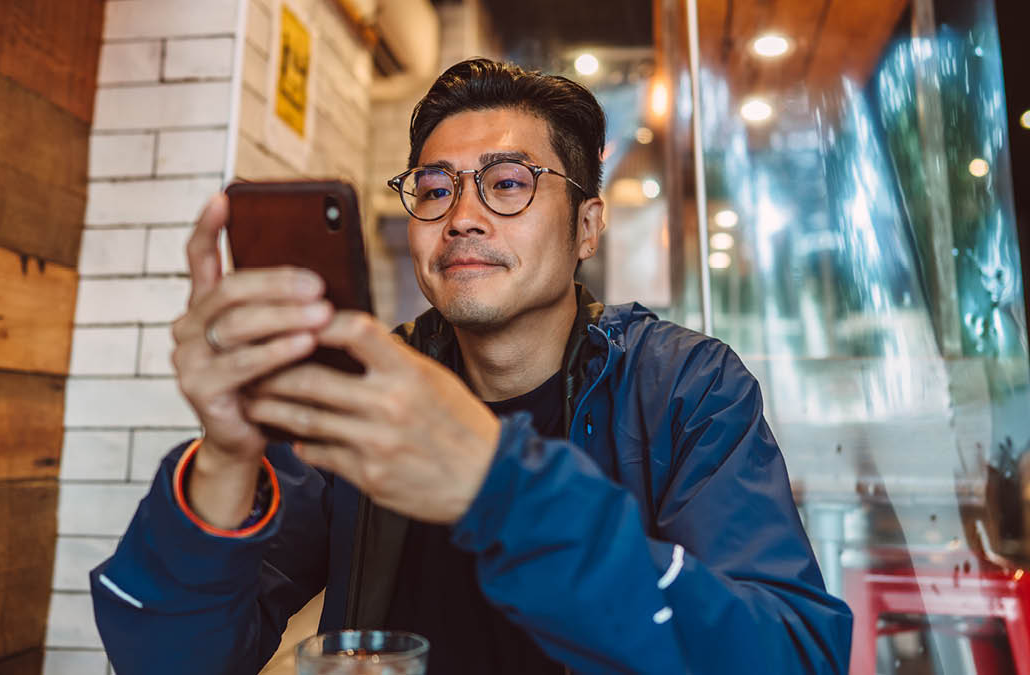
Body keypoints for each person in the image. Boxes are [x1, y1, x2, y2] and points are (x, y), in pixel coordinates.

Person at [91, 58, 853, 674]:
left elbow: (791, 652)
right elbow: (171, 656)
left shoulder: (687, 386)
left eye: (509, 182)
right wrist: (226, 453)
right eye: (434, 187)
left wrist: (498, 484)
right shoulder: (368, 386)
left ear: (587, 226)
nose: (461, 215)